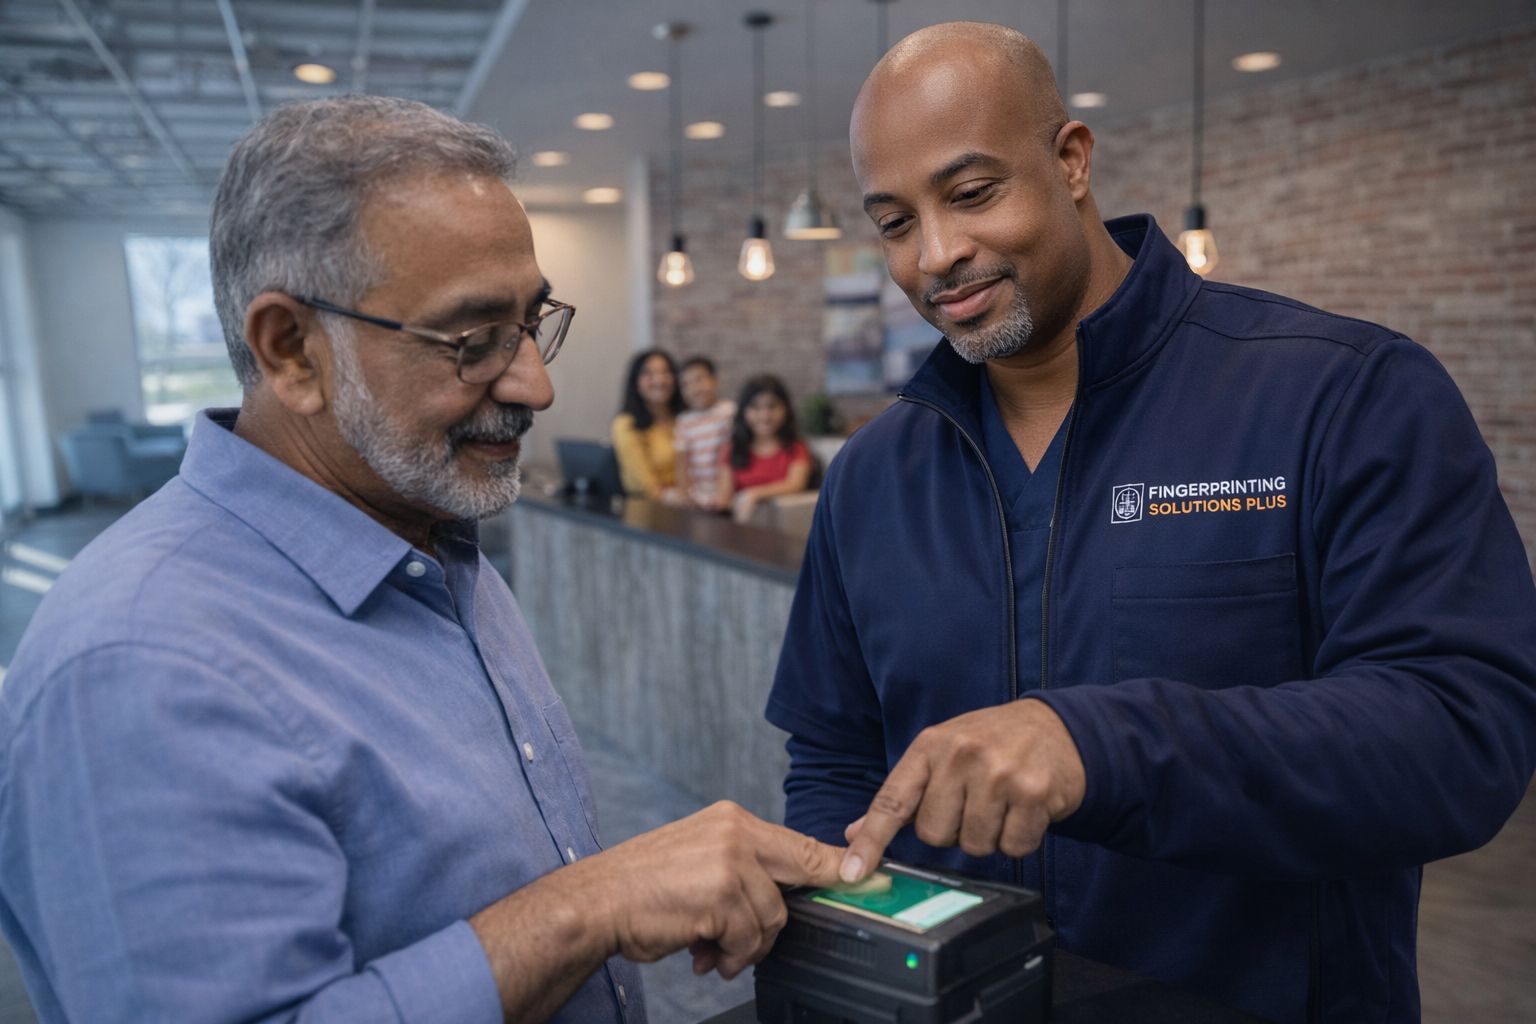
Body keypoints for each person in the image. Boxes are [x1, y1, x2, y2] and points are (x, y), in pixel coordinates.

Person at [0, 96, 847, 1024]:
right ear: (291, 350)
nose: (536, 384)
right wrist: (592, 906)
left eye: (532, 322)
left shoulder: (432, 539)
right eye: (472, 341)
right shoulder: (136, 666)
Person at [765, 22, 1536, 1024]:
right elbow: (834, 759)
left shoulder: (1342, 395)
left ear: (1071, 161)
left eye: (973, 193)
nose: (937, 255)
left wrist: (1100, 745)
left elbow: (1462, 734)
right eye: (895, 222)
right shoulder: (872, 477)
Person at [715, 374, 813, 525]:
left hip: (784, 529)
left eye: (772, 406)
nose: (765, 415)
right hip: (740, 528)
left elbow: (795, 484)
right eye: (755, 407)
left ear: (785, 409)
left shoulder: (796, 448)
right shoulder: (731, 450)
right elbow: (724, 499)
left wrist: (753, 494)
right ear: (744, 411)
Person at [611, 349, 683, 501]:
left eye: (666, 372)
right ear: (636, 382)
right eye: (649, 374)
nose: (659, 380)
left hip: (692, 497)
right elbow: (644, 486)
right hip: (651, 506)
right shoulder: (626, 424)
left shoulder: (683, 418)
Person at [673, 356, 735, 510]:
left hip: (728, 487)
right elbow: (681, 461)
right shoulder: (684, 422)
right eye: (686, 384)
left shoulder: (729, 411)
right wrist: (685, 494)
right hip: (698, 491)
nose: (695, 388)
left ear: (715, 381)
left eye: (699, 379)